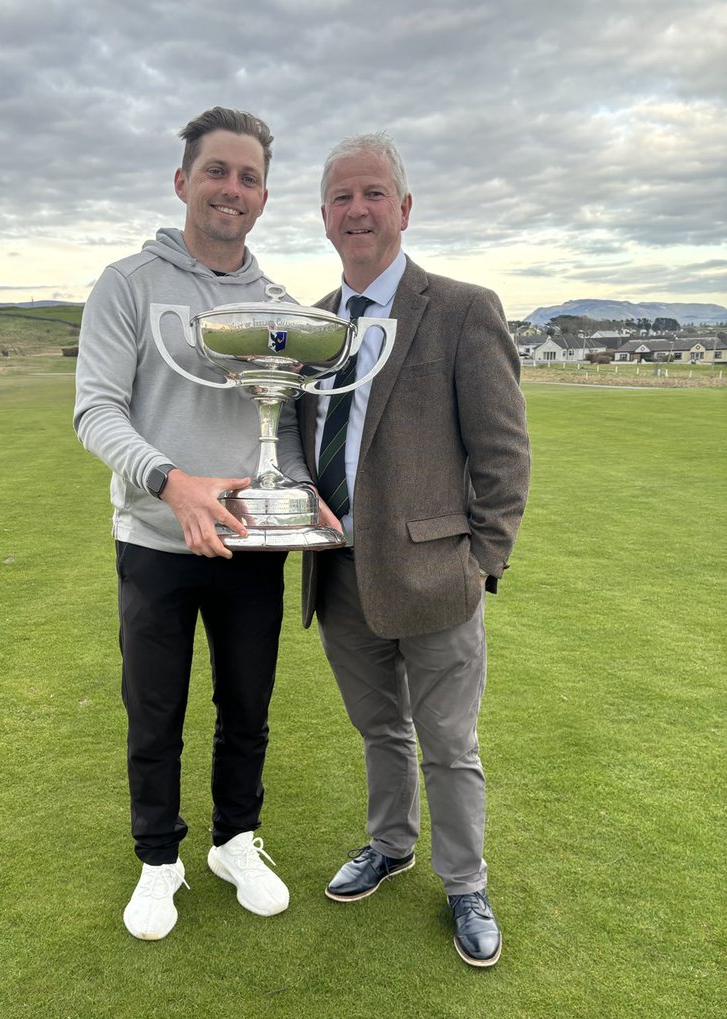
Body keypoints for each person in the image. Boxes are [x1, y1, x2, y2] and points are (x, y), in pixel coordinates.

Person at [292, 133, 530, 966]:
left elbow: (502, 453)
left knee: (450, 747)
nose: (357, 210)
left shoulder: (462, 309)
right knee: (379, 731)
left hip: (437, 576)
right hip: (340, 570)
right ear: (324, 218)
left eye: (372, 193)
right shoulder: (312, 325)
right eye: (341, 198)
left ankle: (465, 883)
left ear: (403, 207)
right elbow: (298, 435)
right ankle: (389, 846)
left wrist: (482, 561)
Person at [73, 107, 294, 941]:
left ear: (263, 197)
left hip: (248, 546)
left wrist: (302, 496)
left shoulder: (276, 305)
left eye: (247, 177)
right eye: (216, 172)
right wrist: (172, 483)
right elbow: (96, 411)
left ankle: (235, 841)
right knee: (154, 710)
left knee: (248, 707)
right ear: (183, 182)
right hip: (156, 541)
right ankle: (158, 859)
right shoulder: (127, 284)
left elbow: (292, 428)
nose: (231, 189)